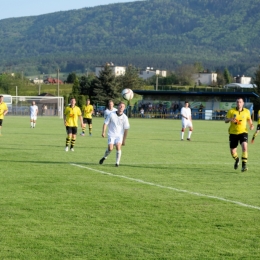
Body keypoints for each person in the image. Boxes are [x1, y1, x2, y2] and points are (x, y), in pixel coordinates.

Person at [225, 97, 254, 172]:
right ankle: (237, 159)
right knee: (233, 152)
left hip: (243, 132)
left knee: (244, 147)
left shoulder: (247, 111)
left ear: (243, 103)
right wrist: (230, 119)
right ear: (236, 103)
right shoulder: (231, 111)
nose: (239, 103)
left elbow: (249, 120)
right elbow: (225, 120)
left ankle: (244, 166)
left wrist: (251, 125)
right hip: (233, 133)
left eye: (240, 102)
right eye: (237, 102)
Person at [99, 102, 130, 167]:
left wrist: (124, 140)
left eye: (123, 106)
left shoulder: (125, 117)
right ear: (117, 107)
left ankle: (117, 163)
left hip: (119, 135)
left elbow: (126, 129)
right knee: (110, 148)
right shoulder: (111, 114)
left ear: (124, 108)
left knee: (118, 146)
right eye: (120, 106)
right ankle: (104, 157)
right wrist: (103, 132)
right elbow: (105, 123)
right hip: (111, 134)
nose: (121, 107)